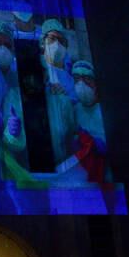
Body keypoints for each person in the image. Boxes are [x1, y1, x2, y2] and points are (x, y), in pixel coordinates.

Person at [0, 21, 30, 178]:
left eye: (7, 45)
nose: (3, 49)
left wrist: (12, 131)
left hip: (9, 155)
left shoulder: (18, 82)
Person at [40, 18, 77, 169]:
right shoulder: (37, 67)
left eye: (62, 41)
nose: (57, 44)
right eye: (52, 38)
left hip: (64, 142)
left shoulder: (70, 79)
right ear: (43, 42)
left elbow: (75, 110)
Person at [70, 60, 109, 183]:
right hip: (83, 172)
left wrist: (99, 145)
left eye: (86, 78)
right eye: (76, 78)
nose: (81, 83)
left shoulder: (103, 110)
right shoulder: (74, 110)